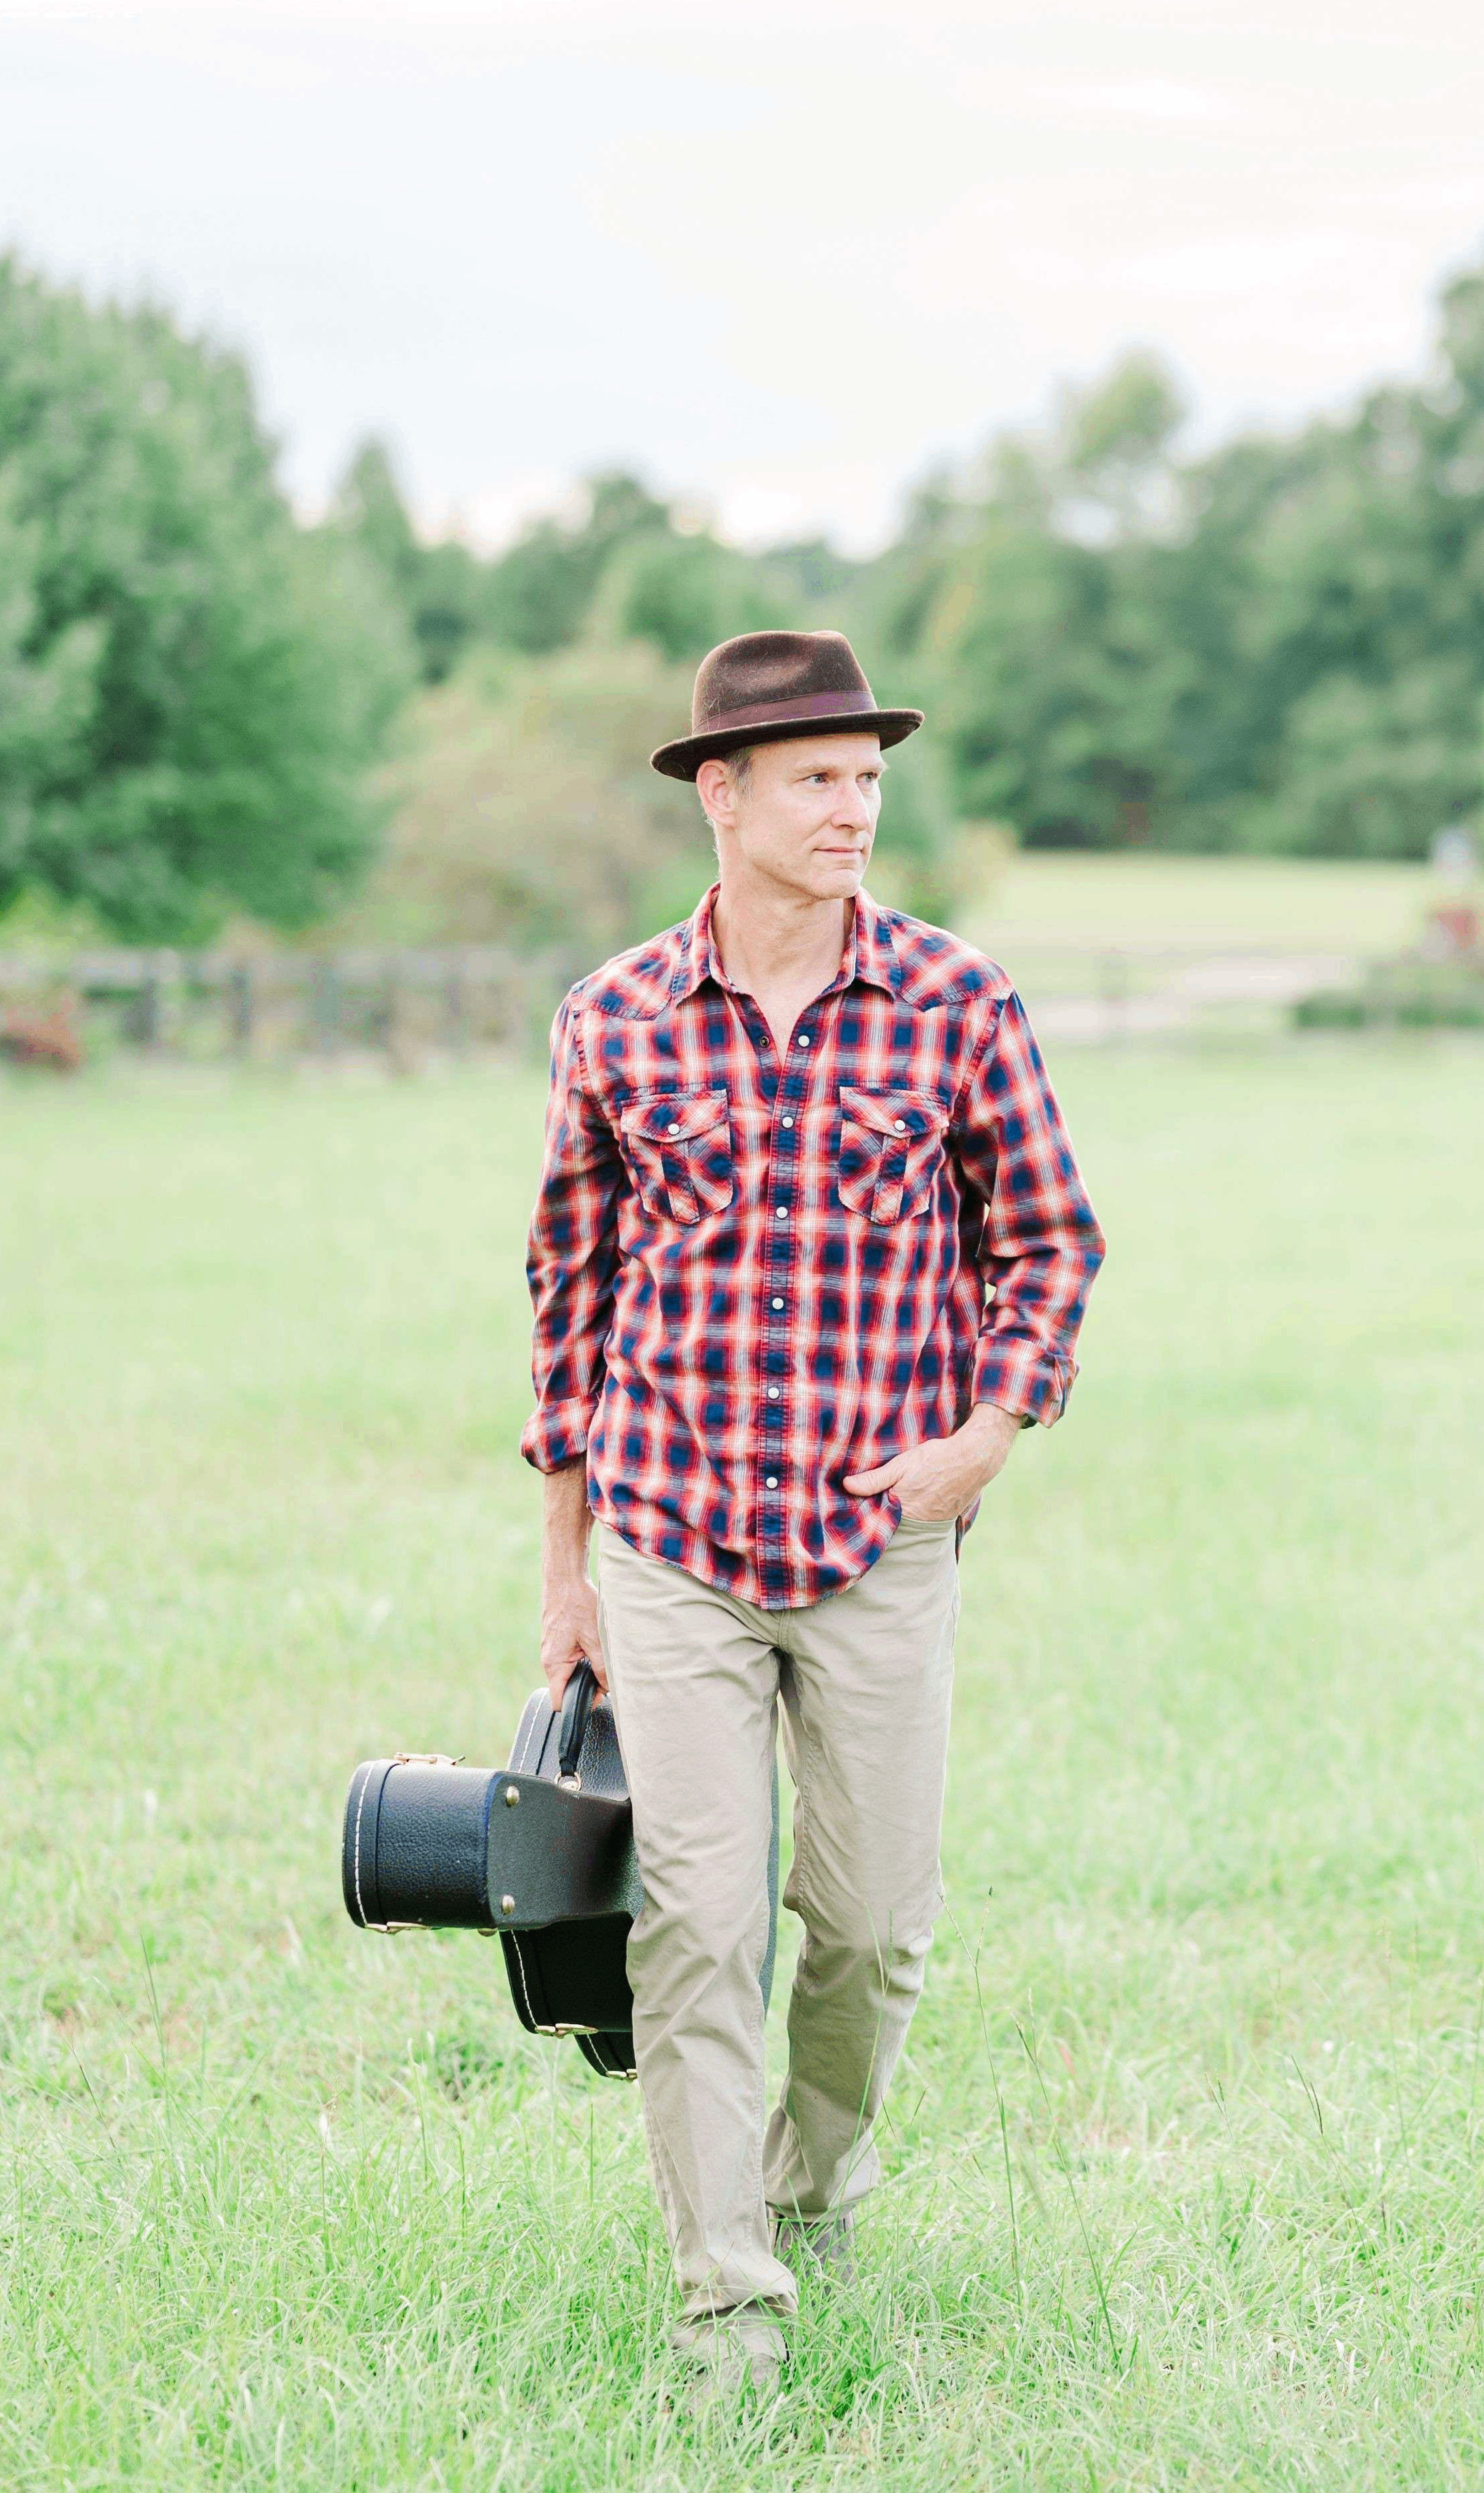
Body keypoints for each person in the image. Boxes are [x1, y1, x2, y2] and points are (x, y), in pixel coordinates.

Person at [521, 628, 1105, 2403]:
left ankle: (814, 2185)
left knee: (869, 1927)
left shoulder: (958, 999)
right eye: (820, 782)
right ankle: (729, 2309)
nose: (856, 811)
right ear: (724, 795)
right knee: (696, 1922)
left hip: (880, 1546)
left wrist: (984, 1439)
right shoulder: (615, 1017)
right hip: (673, 1539)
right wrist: (566, 1570)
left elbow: (1051, 1243)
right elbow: (570, 1299)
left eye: (869, 780)